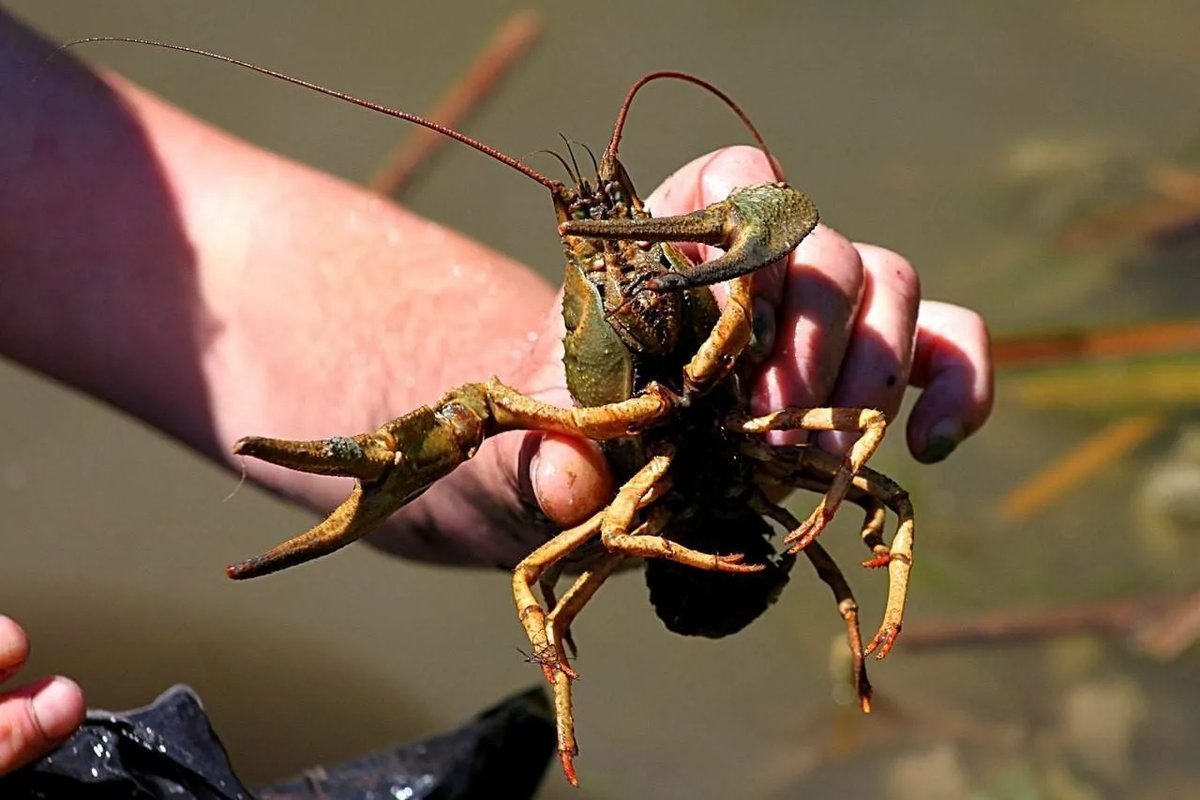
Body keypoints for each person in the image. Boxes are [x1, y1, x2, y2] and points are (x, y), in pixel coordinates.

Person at [0, 10, 993, 775]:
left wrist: (549, 399)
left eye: (632, 237)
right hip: (652, 533)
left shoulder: (696, 311)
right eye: (601, 247)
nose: (623, 254)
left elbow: (208, 263)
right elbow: (538, 584)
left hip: (699, 490)